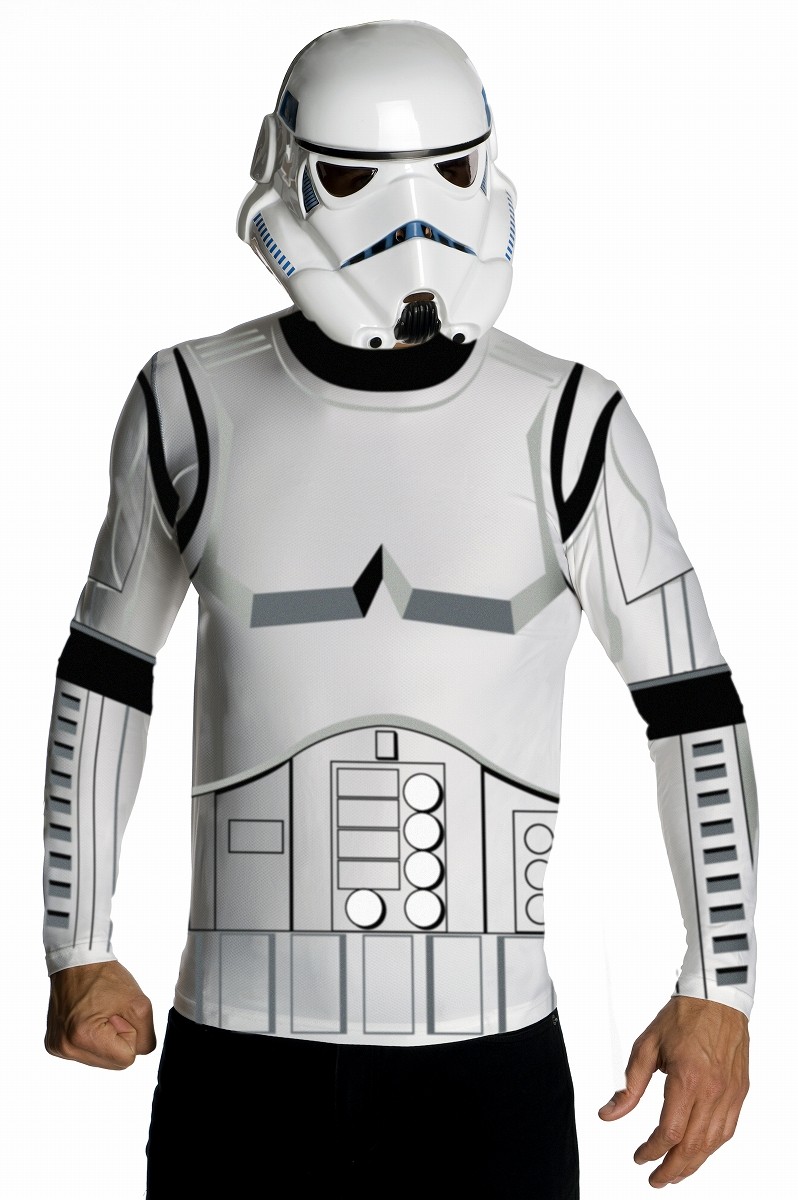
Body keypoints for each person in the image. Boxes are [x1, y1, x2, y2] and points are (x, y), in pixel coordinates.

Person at [42, 19, 757, 1198]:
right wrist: (77, 946)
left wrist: (720, 987)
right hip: (241, 1061)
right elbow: (106, 676)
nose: (409, 221)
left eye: (450, 172)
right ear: (285, 169)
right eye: (356, 178)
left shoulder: (572, 425)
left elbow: (691, 709)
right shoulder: (188, 404)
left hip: (486, 1071)